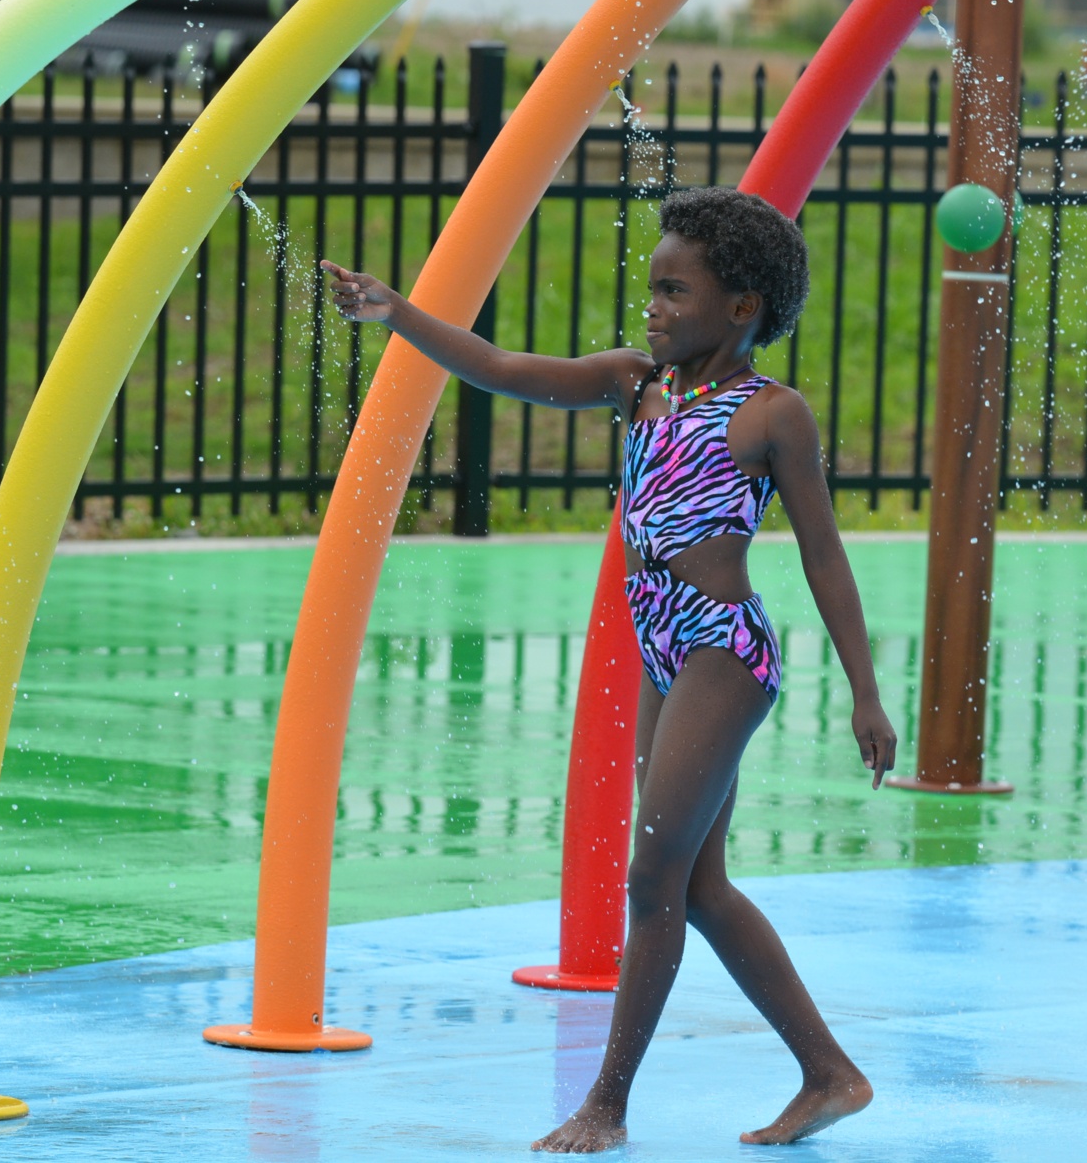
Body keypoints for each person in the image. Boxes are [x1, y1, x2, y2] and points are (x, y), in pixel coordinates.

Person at [327, 186, 897, 1153]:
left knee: (652, 877)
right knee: (699, 887)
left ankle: (607, 1103)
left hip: (722, 649)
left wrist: (866, 693)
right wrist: (399, 313)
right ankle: (831, 1074)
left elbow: (824, 555)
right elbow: (502, 367)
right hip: (663, 647)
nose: (654, 307)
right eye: (653, 288)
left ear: (743, 306)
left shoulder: (771, 415)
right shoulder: (637, 385)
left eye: (676, 291)